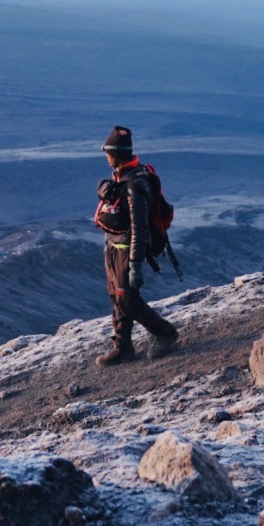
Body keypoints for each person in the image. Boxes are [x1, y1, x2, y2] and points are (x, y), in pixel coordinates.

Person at [92, 126, 179, 365]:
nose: (106, 158)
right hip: (114, 247)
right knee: (116, 296)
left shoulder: (135, 185)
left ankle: (165, 333)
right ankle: (123, 347)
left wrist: (135, 265)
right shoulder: (122, 175)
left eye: (108, 153)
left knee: (127, 298)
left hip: (127, 251)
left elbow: (139, 226)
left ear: (117, 154)